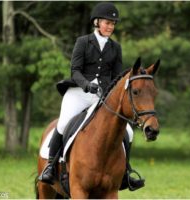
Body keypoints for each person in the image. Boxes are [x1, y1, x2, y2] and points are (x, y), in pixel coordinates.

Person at [38, 2, 144, 191]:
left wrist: (110, 92)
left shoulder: (115, 47)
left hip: (103, 97)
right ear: (97, 22)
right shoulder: (83, 42)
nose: (110, 27)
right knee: (63, 123)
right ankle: (50, 167)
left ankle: (125, 173)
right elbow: (75, 71)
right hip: (79, 93)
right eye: (107, 23)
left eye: (113, 24)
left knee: (127, 130)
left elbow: (118, 77)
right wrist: (87, 85)